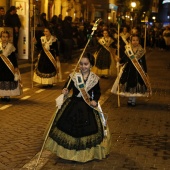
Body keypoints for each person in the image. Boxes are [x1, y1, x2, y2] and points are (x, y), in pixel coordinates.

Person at [45, 53, 111, 162]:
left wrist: (95, 100)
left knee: (87, 130)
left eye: (86, 64)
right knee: (69, 129)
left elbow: (97, 92)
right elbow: (67, 86)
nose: (83, 66)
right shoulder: (74, 76)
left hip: (87, 106)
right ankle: (69, 153)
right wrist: (65, 90)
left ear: (91, 65)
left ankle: (84, 154)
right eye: (81, 64)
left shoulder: (95, 79)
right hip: (73, 104)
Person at [111, 34, 152, 106]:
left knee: (136, 85)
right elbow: (124, 59)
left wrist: (145, 71)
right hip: (129, 69)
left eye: (137, 40)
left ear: (139, 41)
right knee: (129, 84)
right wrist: (119, 60)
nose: (135, 42)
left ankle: (133, 100)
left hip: (138, 70)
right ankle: (130, 99)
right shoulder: (128, 50)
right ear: (131, 41)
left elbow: (144, 62)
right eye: (133, 40)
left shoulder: (141, 51)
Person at [0, 31, 22, 102]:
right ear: (1, 37)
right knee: (1, 80)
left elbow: (14, 58)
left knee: (8, 80)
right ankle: (2, 95)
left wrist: (16, 67)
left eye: (6, 37)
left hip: (8, 67)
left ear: (8, 38)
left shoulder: (11, 47)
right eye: (3, 36)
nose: (5, 38)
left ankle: (7, 96)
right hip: (0, 66)